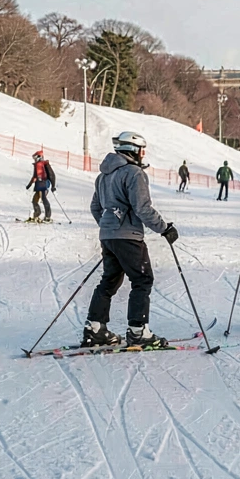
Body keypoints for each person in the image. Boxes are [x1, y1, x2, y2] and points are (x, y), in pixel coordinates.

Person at [82, 131, 180, 348]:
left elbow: (96, 207)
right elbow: (142, 208)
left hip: (108, 236)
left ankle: (95, 329)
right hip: (128, 237)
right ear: (134, 150)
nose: (143, 154)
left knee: (109, 280)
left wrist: (109, 227)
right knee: (142, 279)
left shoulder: (103, 176)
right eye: (142, 150)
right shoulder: (134, 173)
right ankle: (138, 332)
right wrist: (164, 228)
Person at [25, 151, 57, 222]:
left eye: (35, 158)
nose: (34, 159)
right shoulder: (37, 165)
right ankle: (37, 214)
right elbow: (34, 176)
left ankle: (47, 216)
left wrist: (53, 186)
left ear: (39, 157)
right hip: (38, 184)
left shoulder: (45, 165)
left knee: (43, 198)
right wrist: (29, 185)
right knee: (34, 200)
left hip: (44, 183)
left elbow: (51, 175)